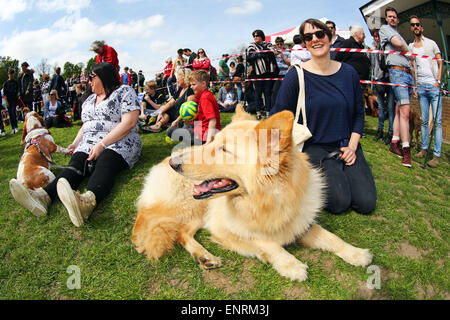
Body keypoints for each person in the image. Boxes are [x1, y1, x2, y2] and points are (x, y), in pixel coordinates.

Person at [9, 62, 142, 227]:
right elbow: (86, 125)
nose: (88, 82)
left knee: (106, 161)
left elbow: (129, 122)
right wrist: (74, 143)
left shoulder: (124, 91)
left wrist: (102, 144)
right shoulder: (89, 99)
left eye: (91, 77)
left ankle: (87, 203)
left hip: (119, 140)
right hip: (90, 142)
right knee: (76, 164)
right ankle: (43, 197)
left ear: (104, 76)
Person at [272, 18, 376, 215]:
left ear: (330, 37)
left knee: (366, 203)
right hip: (315, 147)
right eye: (308, 37)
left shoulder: (349, 73)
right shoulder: (296, 75)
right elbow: (277, 116)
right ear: (304, 42)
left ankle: (343, 172)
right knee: (339, 202)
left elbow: (358, 115)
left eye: (320, 34)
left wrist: (352, 148)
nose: (315, 40)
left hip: (347, 143)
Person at [380, 6, 415, 167]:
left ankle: (395, 143)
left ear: (398, 19)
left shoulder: (397, 31)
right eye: (389, 16)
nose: (392, 18)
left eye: (394, 16)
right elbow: (398, 44)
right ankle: (406, 150)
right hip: (398, 72)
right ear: (386, 18)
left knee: (400, 111)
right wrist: (409, 52)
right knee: (405, 112)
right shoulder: (385, 29)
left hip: (407, 73)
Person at [408, 15, 443, 168]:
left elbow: (441, 63)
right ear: (411, 28)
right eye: (413, 25)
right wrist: (415, 86)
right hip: (421, 87)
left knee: (437, 122)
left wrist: (438, 81)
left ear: (421, 27)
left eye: (417, 24)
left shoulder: (432, 43)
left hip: (433, 86)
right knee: (423, 121)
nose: (415, 27)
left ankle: (436, 155)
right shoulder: (410, 47)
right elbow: (413, 69)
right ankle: (423, 149)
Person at [147, 68, 195, 133]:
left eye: (178, 78)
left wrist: (176, 121)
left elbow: (187, 110)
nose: (177, 80)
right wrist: (161, 112)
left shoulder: (190, 90)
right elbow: (171, 102)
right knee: (166, 110)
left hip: (181, 116)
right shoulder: (181, 88)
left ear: (184, 78)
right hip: (175, 113)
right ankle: (158, 125)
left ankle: (166, 125)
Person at [247, 29, 279, 120]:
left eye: (257, 35)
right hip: (257, 73)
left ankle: (268, 111)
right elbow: (251, 56)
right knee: (258, 93)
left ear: (262, 36)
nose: (255, 37)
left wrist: (260, 53)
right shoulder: (252, 45)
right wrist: (263, 53)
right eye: (254, 36)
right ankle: (258, 112)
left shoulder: (268, 44)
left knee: (268, 92)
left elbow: (273, 53)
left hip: (269, 72)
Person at [370, 29, 395, 145]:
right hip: (379, 80)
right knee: (380, 107)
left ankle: (390, 133)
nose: (376, 38)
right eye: (374, 36)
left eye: (377, 36)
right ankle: (380, 131)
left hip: (389, 79)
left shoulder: (387, 48)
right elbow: (373, 66)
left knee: (390, 108)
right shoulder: (373, 50)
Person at [189, 70, 221, 143]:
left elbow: (212, 120)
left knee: (171, 131)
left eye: (193, 84)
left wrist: (208, 142)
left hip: (205, 135)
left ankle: (200, 143)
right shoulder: (205, 94)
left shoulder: (205, 98)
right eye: (191, 85)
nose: (191, 87)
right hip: (202, 129)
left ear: (203, 83)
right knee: (185, 124)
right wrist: (193, 123)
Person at [272, 37, 291, 107]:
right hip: (276, 75)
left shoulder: (287, 52)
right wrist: (274, 55)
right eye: (277, 44)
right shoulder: (273, 53)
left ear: (283, 44)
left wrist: (282, 55)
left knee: (285, 92)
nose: (279, 45)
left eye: (281, 44)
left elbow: (289, 63)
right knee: (275, 92)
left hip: (285, 74)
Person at [3, 68, 19, 134]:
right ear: (8, 75)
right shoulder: (5, 84)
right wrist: (6, 101)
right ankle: (13, 127)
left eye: (12, 74)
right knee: (10, 114)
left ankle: (16, 127)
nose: (11, 75)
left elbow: (17, 91)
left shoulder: (15, 82)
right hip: (8, 100)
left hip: (14, 100)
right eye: (10, 74)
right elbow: (5, 93)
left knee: (13, 112)